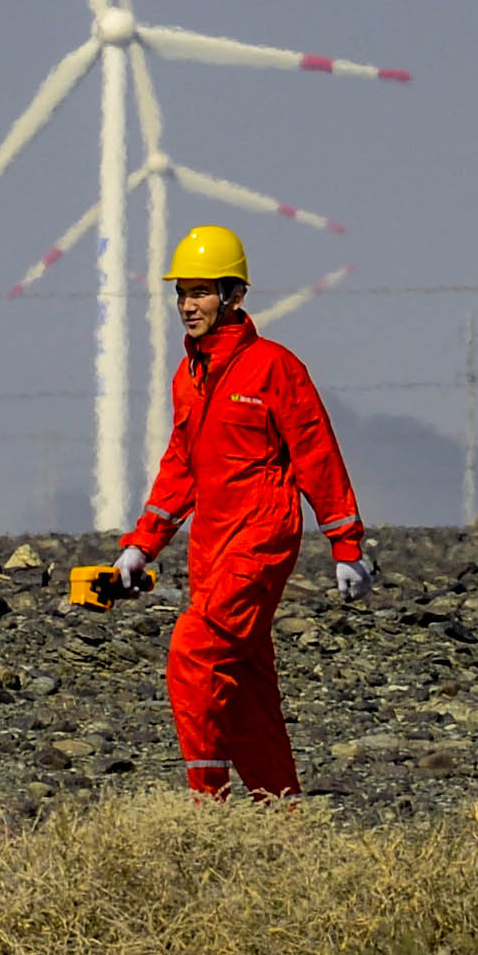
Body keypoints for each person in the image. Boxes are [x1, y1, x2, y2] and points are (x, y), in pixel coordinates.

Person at [113, 223, 369, 796]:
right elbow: (180, 465)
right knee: (247, 689)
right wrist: (141, 545)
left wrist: (346, 545)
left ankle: (205, 811)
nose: (187, 305)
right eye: (181, 292)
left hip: (262, 538)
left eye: (200, 291)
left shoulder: (274, 367)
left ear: (235, 295)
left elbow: (317, 453)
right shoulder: (189, 377)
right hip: (211, 548)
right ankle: (286, 824)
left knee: (193, 653)